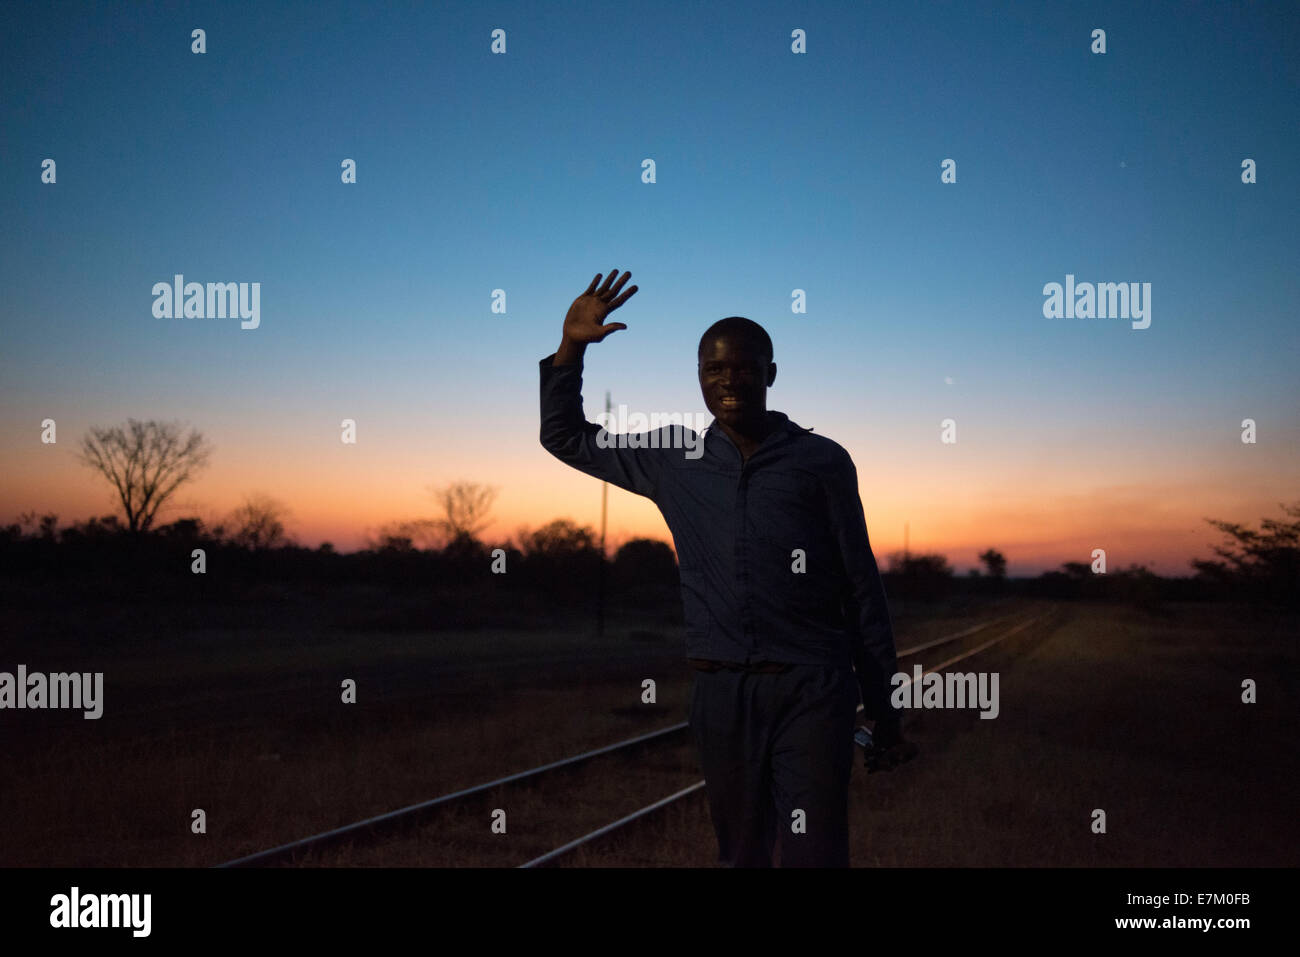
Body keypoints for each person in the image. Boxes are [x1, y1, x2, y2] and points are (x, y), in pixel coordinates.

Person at [539, 268, 915, 867]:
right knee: (739, 855)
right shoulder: (674, 459)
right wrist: (573, 346)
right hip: (721, 690)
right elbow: (564, 438)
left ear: (770, 373)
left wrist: (885, 709)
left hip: (812, 688)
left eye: (743, 367)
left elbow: (861, 588)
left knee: (816, 853)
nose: (729, 380)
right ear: (699, 379)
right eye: (714, 369)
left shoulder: (821, 461)